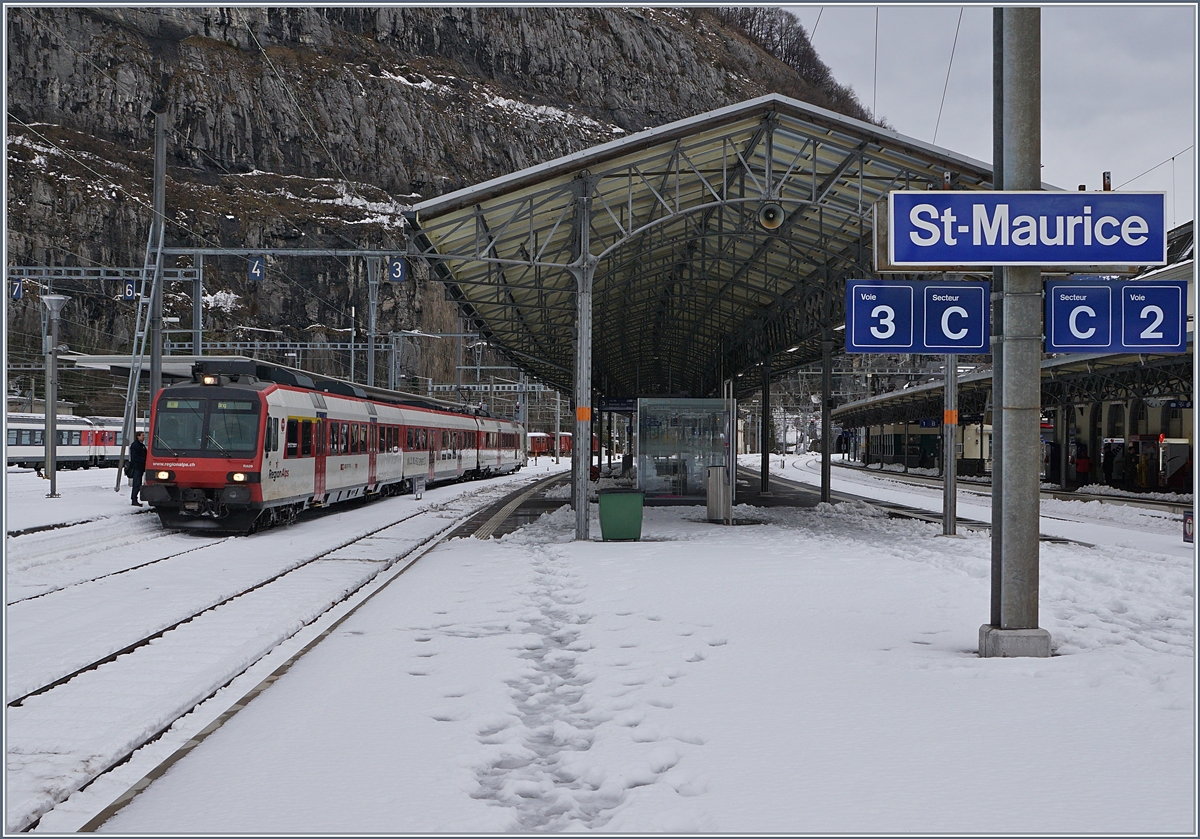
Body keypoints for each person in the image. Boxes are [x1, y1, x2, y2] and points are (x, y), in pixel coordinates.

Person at [129, 431, 147, 507]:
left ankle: (134, 498)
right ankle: (134, 499)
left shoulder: (140, 445)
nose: (144, 437)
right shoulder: (136, 445)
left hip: (140, 467)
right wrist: (144, 460)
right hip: (137, 467)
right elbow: (134, 457)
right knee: (136, 484)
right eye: (142, 435)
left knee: (138, 483)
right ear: (138, 436)